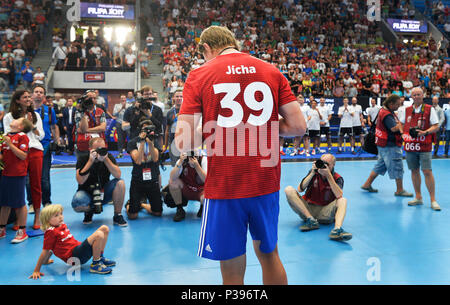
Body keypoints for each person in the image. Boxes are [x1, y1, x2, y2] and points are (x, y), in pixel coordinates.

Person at [175, 26, 306, 285]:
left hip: (226, 185)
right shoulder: (271, 70)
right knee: (269, 254)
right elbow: (299, 126)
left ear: (205, 48)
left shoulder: (200, 74)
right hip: (265, 182)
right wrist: (260, 125)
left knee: (232, 265)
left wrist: (215, 126)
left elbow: (184, 141)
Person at [29, 204, 116, 278]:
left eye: (61, 214)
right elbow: (46, 250)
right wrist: (36, 270)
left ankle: (100, 257)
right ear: (47, 220)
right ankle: (96, 265)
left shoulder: (61, 225)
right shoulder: (51, 232)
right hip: (75, 257)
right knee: (99, 235)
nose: (60, 217)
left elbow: (53, 247)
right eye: (56, 215)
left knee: (105, 228)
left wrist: (46, 261)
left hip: (78, 250)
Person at [284, 154, 352, 241]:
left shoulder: (337, 178)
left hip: (325, 213)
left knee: (343, 200)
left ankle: (337, 230)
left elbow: (339, 195)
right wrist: (312, 172)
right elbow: (300, 189)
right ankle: (311, 221)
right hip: (308, 210)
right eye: (322, 162)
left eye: (327, 163)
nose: (324, 165)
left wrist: (328, 176)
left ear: (333, 165)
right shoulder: (313, 173)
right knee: (288, 189)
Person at [3, 90, 44, 229]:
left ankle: (37, 216)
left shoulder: (36, 115)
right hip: (17, 152)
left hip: (35, 151)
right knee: (17, 185)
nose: (28, 99)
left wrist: (31, 126)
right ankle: (19, 218)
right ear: (17, 100)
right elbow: (8, 134)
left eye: (28, 97)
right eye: (25, 97)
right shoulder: (9, 117)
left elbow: (41, 136)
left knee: (36, 184)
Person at [361, 94, 413, 197]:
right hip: (390, 145)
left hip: (383, 144)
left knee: (380, 165)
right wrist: (404, 125)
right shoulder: (387, 114)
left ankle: (367, 184)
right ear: (391, 103)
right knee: (397, 165)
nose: (399, 106)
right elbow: (393, 128)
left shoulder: (383, 110)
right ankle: (400, 190)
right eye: (397, 104)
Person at [400, 87, 441, 211]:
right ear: (411, 96)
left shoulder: (429, 109)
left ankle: (433, 200)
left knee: (427, 171)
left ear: (423, 96)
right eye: (414, 95)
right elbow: (400, 124)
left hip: (425, 145)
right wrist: (402, 133)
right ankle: (418, 197)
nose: (417, 96)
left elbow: (436, 126)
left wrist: (425, 132)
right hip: (410, 146)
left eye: (419, 94)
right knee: (414, 171)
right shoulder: (405, 110)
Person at [71, 137, 127, 226]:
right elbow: (80, 180)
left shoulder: (108, 156)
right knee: (78, 203)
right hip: (87, 192)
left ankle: (117, 215)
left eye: (102, 149)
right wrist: (90, 161)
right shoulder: (83, 158)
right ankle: (89, 211)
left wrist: (106, 159)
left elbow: (118, 175)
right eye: (97, 149)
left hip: (104, 192)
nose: (100, 151)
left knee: (120, 183)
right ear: (90, 149)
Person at [0, 117, 33, 243]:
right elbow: (3, 155)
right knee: (4, 203)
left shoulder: (22, 136)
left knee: (19, 204)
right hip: (6, 173)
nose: (13, 120)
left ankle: (22, 231)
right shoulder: (7, 136)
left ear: (20, 126)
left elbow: (23, 155)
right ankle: (2, 229)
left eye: (18, 120)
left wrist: (9, 144)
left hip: (17, 174)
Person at [125, 119, 162, 220]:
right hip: (138, 180)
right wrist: (142, 143)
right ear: (140, 130)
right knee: (133, 216)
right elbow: (138, 160)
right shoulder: (132, 142)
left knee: (157, 212)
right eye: (145, 129)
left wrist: (150, 144)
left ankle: (142, 205)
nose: (147, 132)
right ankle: (129, 204)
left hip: (152, 180)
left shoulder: (155, 141)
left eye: (149, 129)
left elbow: (155, 159)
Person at [32, 85, 59, 208]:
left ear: (44, 96)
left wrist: (57, 141)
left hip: (45, 144)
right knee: (29, 178)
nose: (38, 94)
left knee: (44, 176)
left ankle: (46, 201)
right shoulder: (26, 110)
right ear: (32, 94)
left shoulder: (49, 110)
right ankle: (31, 202)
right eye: (36, 92)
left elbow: (54, 126)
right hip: (30, 146)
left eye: (41, 92)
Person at [166, 151, 206, 222]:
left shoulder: (203, 159)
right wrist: (180, 162)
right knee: (173, 182)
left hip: (200, 192)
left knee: (207, 195)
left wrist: (197, 166)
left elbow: (206, 180)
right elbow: (172, 177)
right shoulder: (183, 160)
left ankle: (202, 207)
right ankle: (180, 209)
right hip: (187, 190)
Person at [74, 90, 107, 158]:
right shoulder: (79, 112)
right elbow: (81, 129)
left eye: (94, 98)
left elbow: (103, 128)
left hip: (99, 145)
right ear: (85, 99)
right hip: (83, 145)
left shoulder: (100, 111)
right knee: (82, 167)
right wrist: (83, 113)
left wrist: (87, 130)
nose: (92, 100)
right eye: (90, 98)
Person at [164, 89, 183, 165]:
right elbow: (167, 130)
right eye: (177, 96)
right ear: (173, 98)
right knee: (175, 166)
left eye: (181, 96)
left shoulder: (188, 110)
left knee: (186, 167)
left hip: (185, 143)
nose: (179, 98)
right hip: (173, 143)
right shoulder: (169, 112)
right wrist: (165, 146)